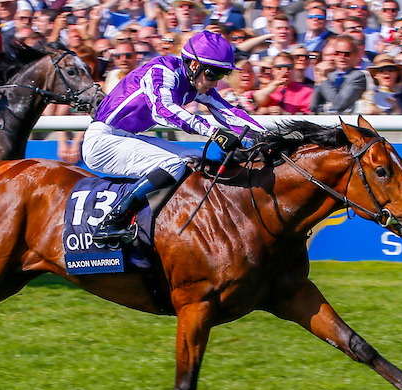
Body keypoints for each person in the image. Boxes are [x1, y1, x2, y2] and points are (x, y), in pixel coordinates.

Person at [82, 31, 265, 247]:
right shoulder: (161, 71)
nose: (216, 83)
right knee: (172, 164)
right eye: (214, 74)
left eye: (222, 75)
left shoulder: (195, 82)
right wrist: (213, 132)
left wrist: (267, 137)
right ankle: (112, 222)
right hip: (103, 141)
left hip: (127, 137)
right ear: (195, 65)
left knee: (197, 160)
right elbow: (164, 110)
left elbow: (229, 113)